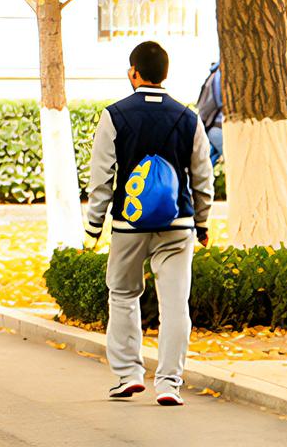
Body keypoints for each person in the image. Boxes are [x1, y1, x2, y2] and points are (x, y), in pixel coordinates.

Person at [83, 39, 215, 407]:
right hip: (178, 225)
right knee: (175, 304)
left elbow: (101, 178)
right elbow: (203, 177)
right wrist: (201, 222)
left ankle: (128, 375)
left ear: (133, 73)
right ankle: (170, 383)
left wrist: (93, 228)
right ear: (165, 75)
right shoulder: (188, 117)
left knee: (123, 295)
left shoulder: (115, 115)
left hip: (129, 224)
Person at [194, 59, 224, 168]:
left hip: (213, 127)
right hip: (221, 127)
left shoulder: (215, 72)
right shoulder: (222, 72)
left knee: (204, 168)